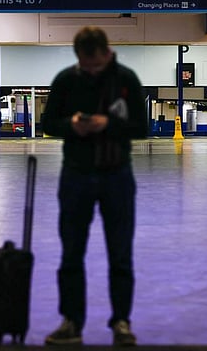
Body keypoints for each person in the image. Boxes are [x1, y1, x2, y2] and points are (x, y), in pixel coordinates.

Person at [41, 26, 148, 346]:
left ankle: (121, 322)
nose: (91, 71)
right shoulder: (65, 80)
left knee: (121, 254)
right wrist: (72, 126)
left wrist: (107, 124)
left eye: (97, 66)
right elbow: (48, 124)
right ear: (78, 59)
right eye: (86, 67)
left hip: (117, 176)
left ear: (107, 53)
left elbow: (141, 128)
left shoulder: (126, 80)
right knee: (71, 253)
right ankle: (71, 321)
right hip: (75, 175)